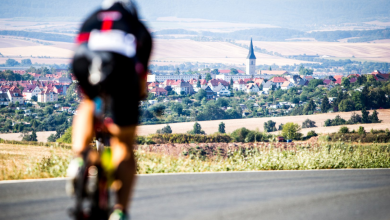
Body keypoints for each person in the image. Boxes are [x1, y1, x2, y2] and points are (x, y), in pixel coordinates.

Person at [68, 0, 152, 219]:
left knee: (88, 102)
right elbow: (141, 77)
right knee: (124, 144)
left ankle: (80, 157)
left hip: (85, 61)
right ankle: (119, 212)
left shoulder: (92, 18)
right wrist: (137, 97)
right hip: (121, 69)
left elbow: (77, 52)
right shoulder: (138, 27)